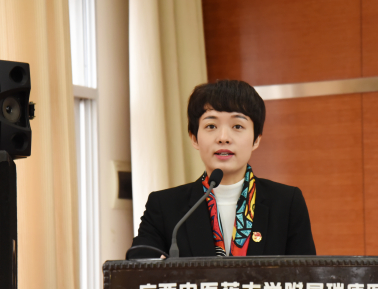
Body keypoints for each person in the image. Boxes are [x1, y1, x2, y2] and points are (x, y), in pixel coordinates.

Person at [130, 79, 315, 258]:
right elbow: (138, 263)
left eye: (237, 126)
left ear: (256, 139)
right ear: (194, 138)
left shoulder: (287, 203)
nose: (223, 138)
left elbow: (307, 274)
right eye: (211, 126)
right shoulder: (164, 206)